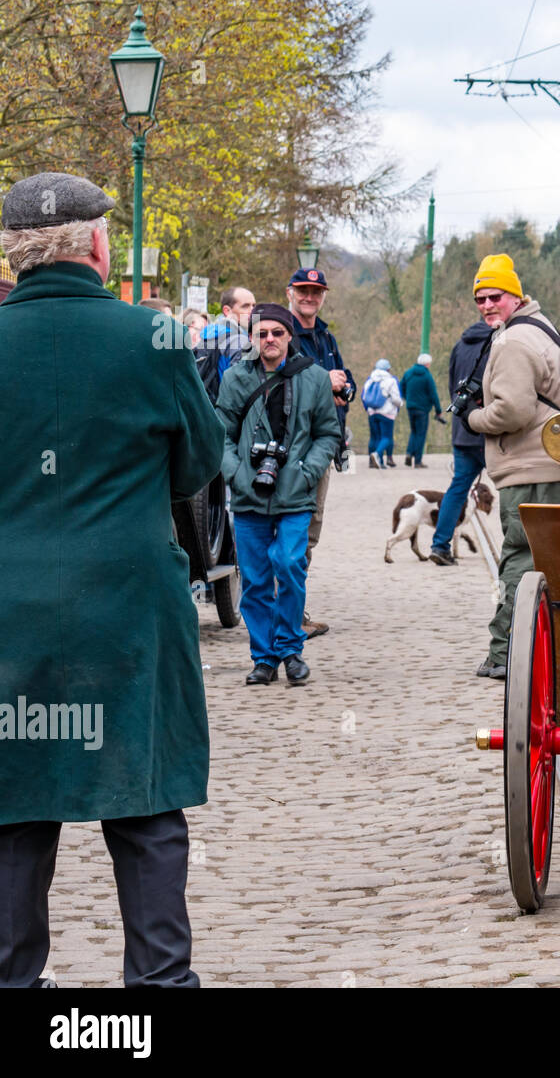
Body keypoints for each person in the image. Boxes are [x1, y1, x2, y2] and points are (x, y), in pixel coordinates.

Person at [0, 172, 224, 987]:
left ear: (15, 254)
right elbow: (199, 464)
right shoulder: (154, 339)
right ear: (100, 246)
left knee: (14, 809)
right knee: (145, 803)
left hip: (8, 616)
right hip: (128, 611)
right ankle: (160, 987)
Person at [464, 254, 560, 679]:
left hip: (531, 467)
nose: (487, 304)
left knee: (519, 557)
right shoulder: (543, 327)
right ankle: (553, 648)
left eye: (495, 296)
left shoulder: (513, 341)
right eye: (480, 298)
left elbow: (511, 411)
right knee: (554, 561)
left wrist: (474, 418)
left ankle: (505, 653)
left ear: (515, 295)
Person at [216, 303, 341, 683]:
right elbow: (219, 435)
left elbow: (328, 434)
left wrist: (307, 470)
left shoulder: (315, 378)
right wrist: (236, 473)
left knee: (289, 565)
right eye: (262, 333)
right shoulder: (236, 379)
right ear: (252, 338)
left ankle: (290, 649)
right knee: (254, 578)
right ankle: (264, 657)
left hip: (296, 492)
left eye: (277, 333)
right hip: (249, 492)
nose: (269, 339)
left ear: (289, 336)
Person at [286, 266, 354, 638]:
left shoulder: (325, 335)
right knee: (292, 530)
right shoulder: (279, 332)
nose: (309, 296)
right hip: (294, 447)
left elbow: (346, 378)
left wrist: (345, 390)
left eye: (316, 291)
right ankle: (285, 616)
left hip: (323, 444)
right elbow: (272, 379)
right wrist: (320, 383)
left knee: (310, 531)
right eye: (303, 290)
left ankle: (295, 611)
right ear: (290, 292)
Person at [430, 317, 492, 565]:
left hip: (462, 429)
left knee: (457, 489)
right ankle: (516, 550)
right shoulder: (500, 341)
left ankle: (440, 545)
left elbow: (451, 386)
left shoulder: (460, 345)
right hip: (491, 429)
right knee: (511, 488)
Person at [194, 285, 254, 402]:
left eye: (254, 306)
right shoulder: (238, 341)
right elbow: (241, 389)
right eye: (245, 306)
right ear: (227, 311)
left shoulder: (209, 335)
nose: (252, 311)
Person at [401, 353, 442, 468]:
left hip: (411, 407)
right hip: (423, 409)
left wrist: (406, 398)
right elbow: (433, 394)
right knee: (421, 434)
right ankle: (418, 461)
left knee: (413, 432)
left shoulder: (408, 373)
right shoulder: (427, 376)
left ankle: (409, 453)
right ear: (427, 364)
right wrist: (438, 410)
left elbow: (401, 386)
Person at [362, 358, 403, 469]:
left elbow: (364, 397)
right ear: (388, 369)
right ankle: (377, 454)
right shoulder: (391, 380)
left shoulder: (370, 380)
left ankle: (373, 461)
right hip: (386, 413)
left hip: (372, 412)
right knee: (386, 437)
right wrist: (401, 404)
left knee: (374, 437)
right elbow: (396, 399)